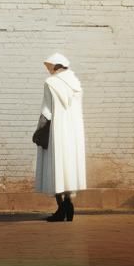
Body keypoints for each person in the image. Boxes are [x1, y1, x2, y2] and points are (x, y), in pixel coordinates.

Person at [33, 52, 86, 222]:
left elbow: (46, 111)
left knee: (55, 165)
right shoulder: (76, 83)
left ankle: (60, 209)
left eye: (49, 66)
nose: (47, 69)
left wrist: (39, 130)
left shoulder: (51, 82)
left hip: (57, 130)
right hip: (74, 131)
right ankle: (69, 204)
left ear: (56, 65)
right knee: (69, 166)